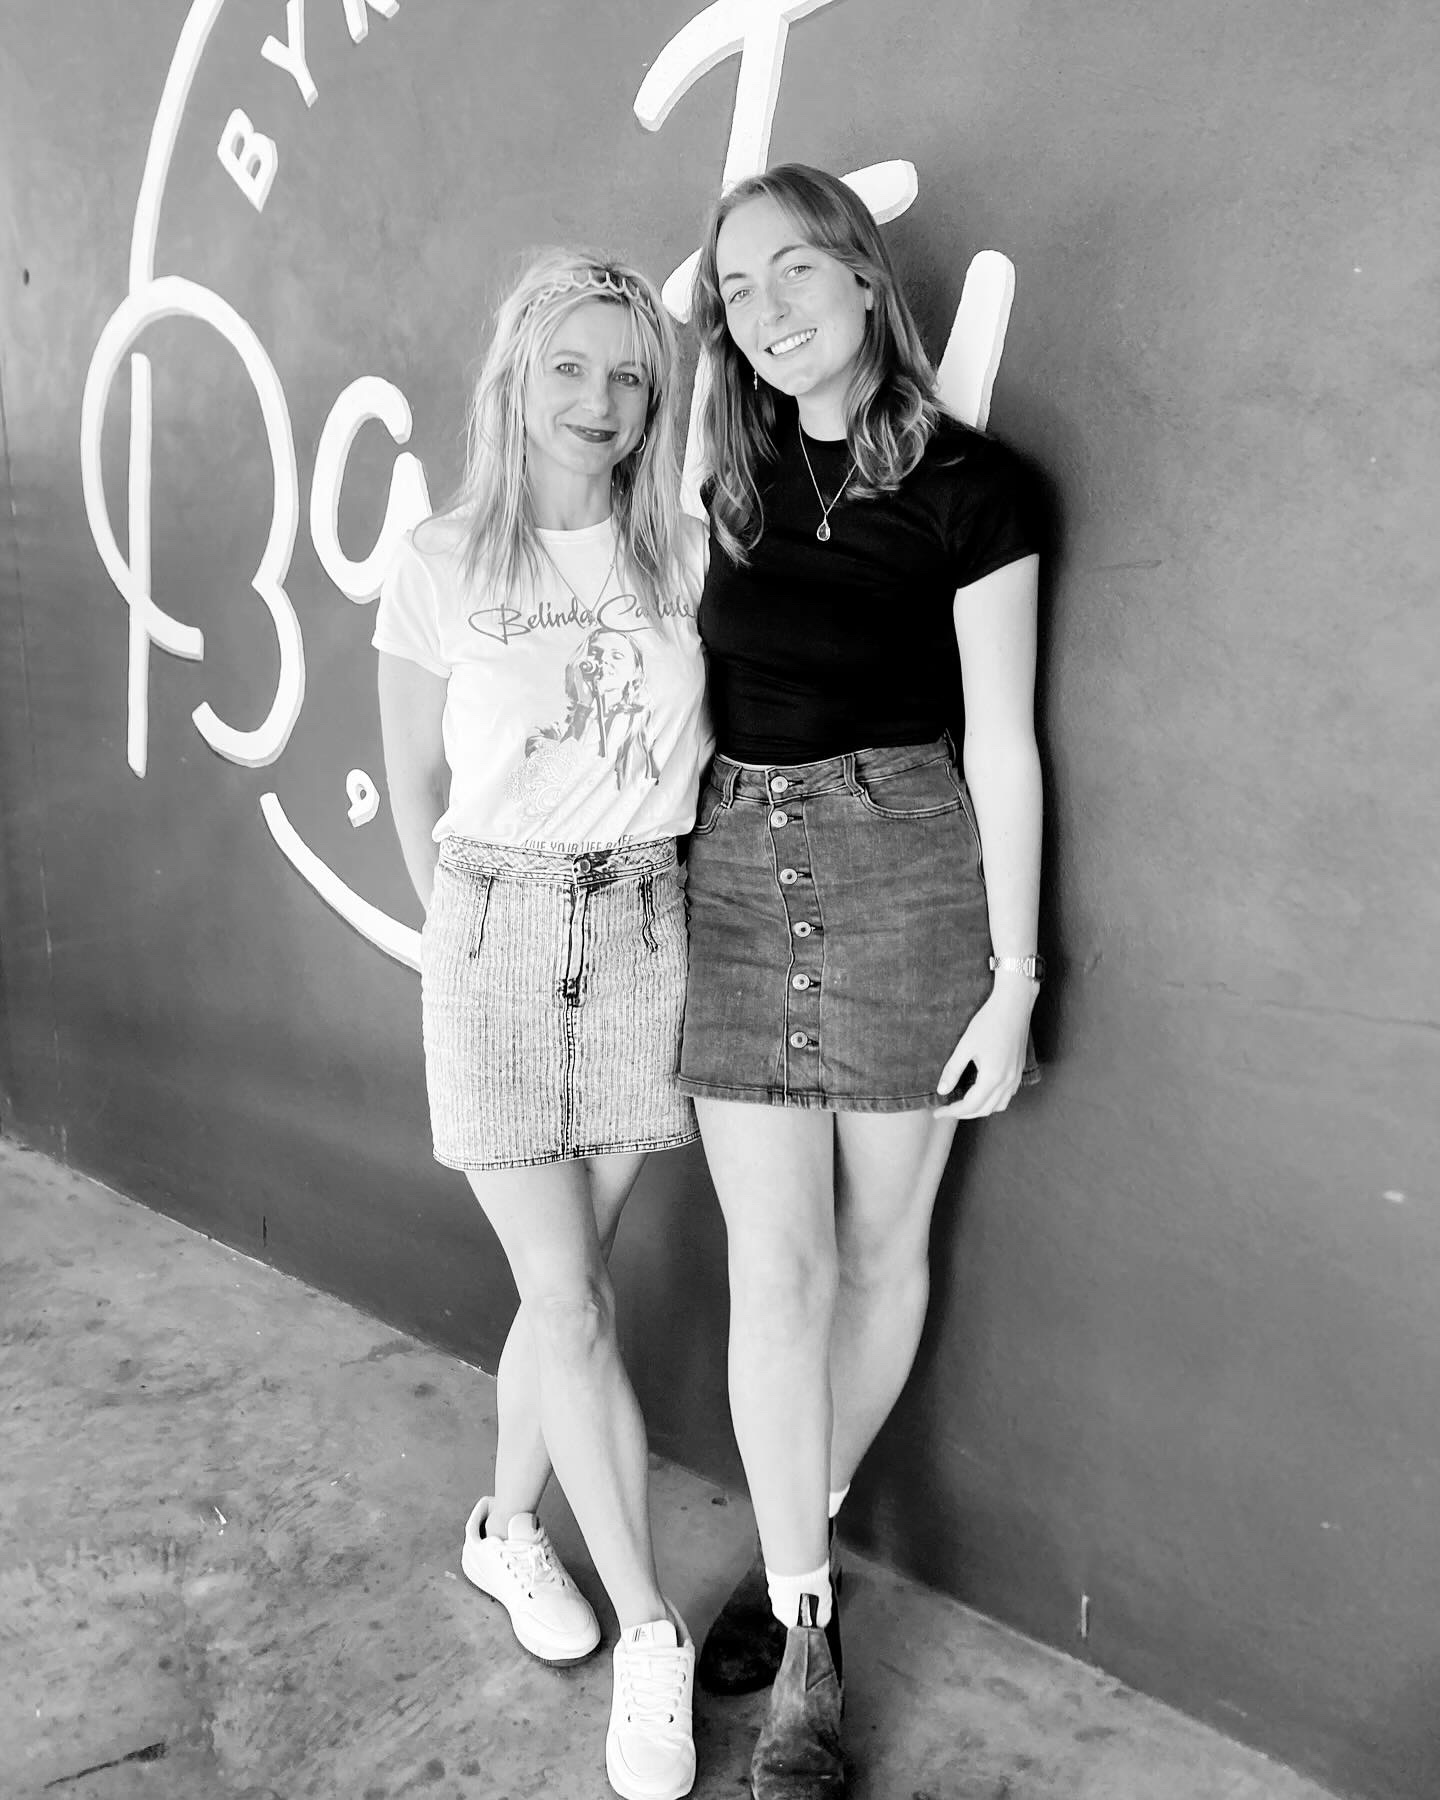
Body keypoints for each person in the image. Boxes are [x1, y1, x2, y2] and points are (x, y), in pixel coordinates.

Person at [678, 165, 1044, 1798]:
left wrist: (1015, 977)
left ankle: (789, 1549)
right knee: (780, 1270)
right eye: (735, 288)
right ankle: (810, 1637)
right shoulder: (724, 476)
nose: (765, 309)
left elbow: (1005, 744)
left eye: (792, 270)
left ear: (862, 274)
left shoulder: (976, 488)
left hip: (908, 870)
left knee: (885, 1254)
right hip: (737, 874)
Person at [374, 248, 710, 1800]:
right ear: (515, 376)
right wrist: (471, 947)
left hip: (645, 931)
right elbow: (416, 794)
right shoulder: (440, 559)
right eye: (570, 367)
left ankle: (506, 1528)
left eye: (630, 375)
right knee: (569, 1301)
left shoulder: (685, 554)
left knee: (563, 1291)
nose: (600, 399)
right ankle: (652, 1629)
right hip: (496, 933)